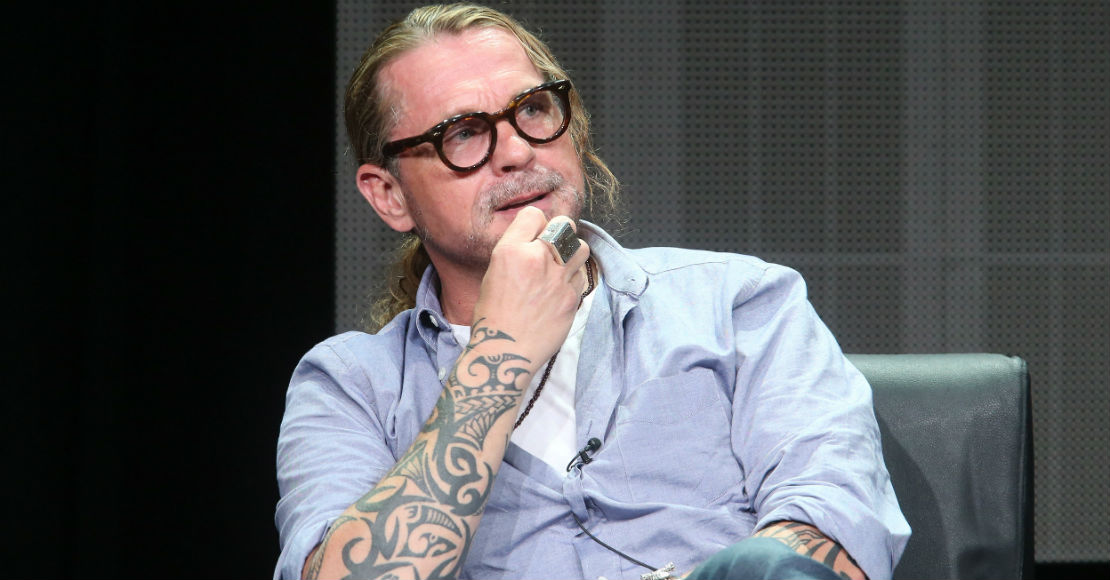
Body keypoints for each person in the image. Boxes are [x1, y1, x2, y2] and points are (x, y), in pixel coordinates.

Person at [274, 4, 910, 580]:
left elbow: (834, 530)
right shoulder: (350, 386)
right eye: (462, 133)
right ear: (389, 195)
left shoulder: (739, 303)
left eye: (532, 110)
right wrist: (500, 352)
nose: (517, 151)